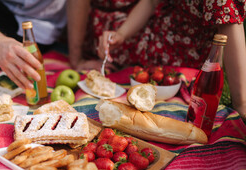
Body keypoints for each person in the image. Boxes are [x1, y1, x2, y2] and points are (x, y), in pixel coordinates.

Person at [67, 0, 246, 121]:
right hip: (153, 34)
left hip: (188, 54)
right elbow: (151, 2)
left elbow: (229, 22)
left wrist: (241, 104)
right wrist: (121, 34)